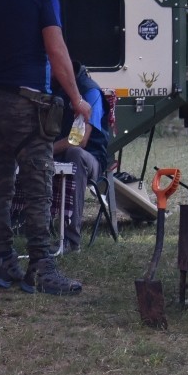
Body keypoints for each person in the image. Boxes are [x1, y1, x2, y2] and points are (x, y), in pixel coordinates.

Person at [0, 0, 93, 295]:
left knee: (0, 186)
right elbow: (56, 50)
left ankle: (4, 261)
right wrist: (78, 99)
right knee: (39, 186)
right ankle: (41, 267)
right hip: (28, 104)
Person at [51, 61, 108, 251]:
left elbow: (79, 140)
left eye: (50, 68)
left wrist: (46, 150)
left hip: (90, 158)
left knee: (74, 153)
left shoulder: (89, 91)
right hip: (57, 154)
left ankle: (71, 239)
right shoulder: (53, 89)